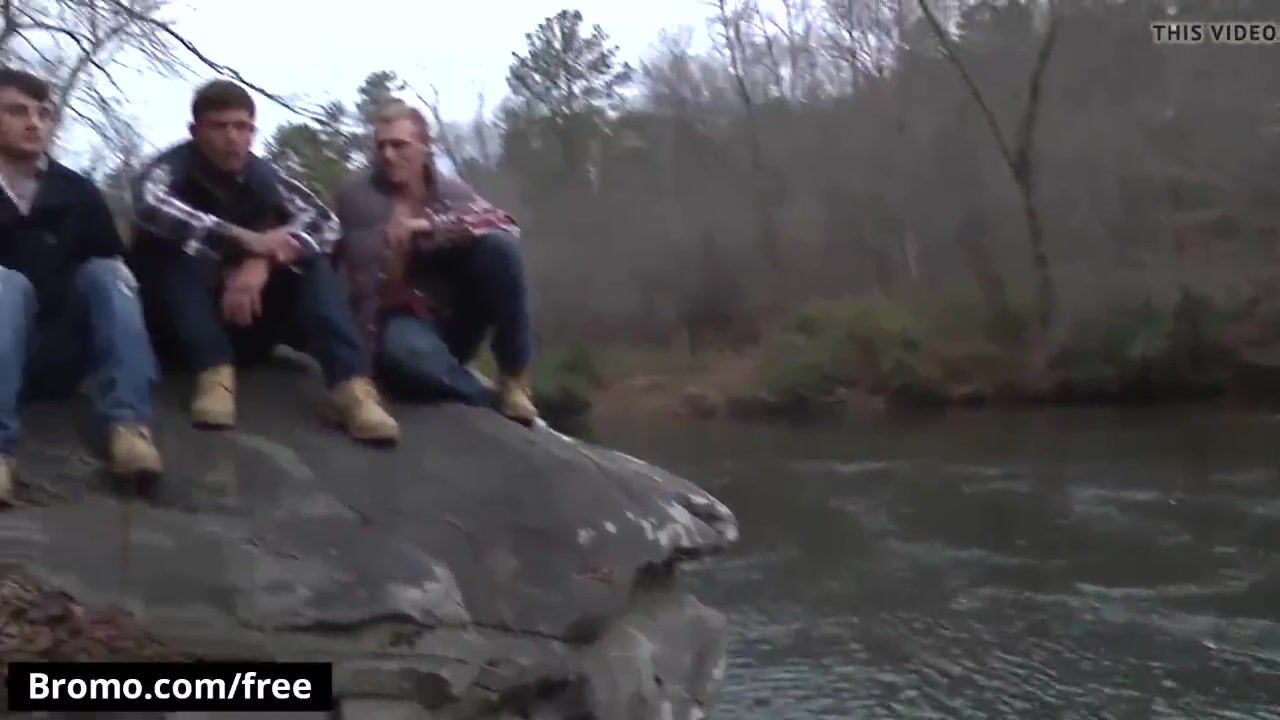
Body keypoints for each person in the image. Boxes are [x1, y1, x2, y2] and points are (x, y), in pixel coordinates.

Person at [126, 79, 399, 445]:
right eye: (219, 126)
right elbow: (148, 203)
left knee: (310, 260)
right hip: (175, 328)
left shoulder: (264, 177)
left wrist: (261, 260)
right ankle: (214, 376)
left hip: (247, 320)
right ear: (195, 131)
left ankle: (352, 387)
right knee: (172, 249)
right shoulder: (170, 169)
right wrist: (242, 238)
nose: (232, 137)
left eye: (242, 127)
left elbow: (325, 222)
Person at [0, 68, 163, 503]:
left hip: (58, 350)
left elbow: (110, 270)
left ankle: (128, 426)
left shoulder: (76, 191)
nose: (34, 123)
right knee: (5, 283)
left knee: (110, 272)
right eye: (17, 111)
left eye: (43, 113)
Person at [331, 100, 538, 426]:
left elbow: (504, 225)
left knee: (501, 249)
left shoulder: (451, 192)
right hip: (391, 327)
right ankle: (484, 396)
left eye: (399, 145)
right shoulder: (354, 197)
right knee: (406, 353)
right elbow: (334, 256)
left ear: (425, 146)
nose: (388, 155)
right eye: (381, 146)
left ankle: (514, 377)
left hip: (452, 318)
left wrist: (428, 227)